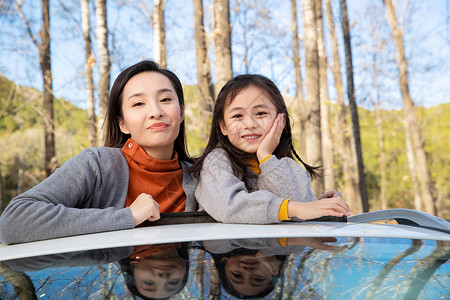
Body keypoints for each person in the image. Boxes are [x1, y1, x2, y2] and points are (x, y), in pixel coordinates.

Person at [0, 60, 198, 244]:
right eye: (138, 103)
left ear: (181, 112)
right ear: (122, 123)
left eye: (165, 99)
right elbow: (12, 223)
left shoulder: (201, 176)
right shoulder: (97, 165)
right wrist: (128, 216)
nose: (156, 111)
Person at [190, 74, 350, 224]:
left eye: (260, 113)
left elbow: (298, 211)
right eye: (238, 116)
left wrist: (319, 206)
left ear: (280, 120)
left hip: (274, 251)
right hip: (229, 250)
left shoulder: (282, 164)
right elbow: (228, 206)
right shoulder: (217, 161)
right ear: (223, 126)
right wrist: (296, 208)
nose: (250, 124)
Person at [202, 237, 345, 298]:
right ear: (274, 270)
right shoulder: (295, 246)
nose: (248, 272)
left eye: (237, 276)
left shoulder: (213, 243)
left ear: (224, 261)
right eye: (258, 278)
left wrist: (265, 253)